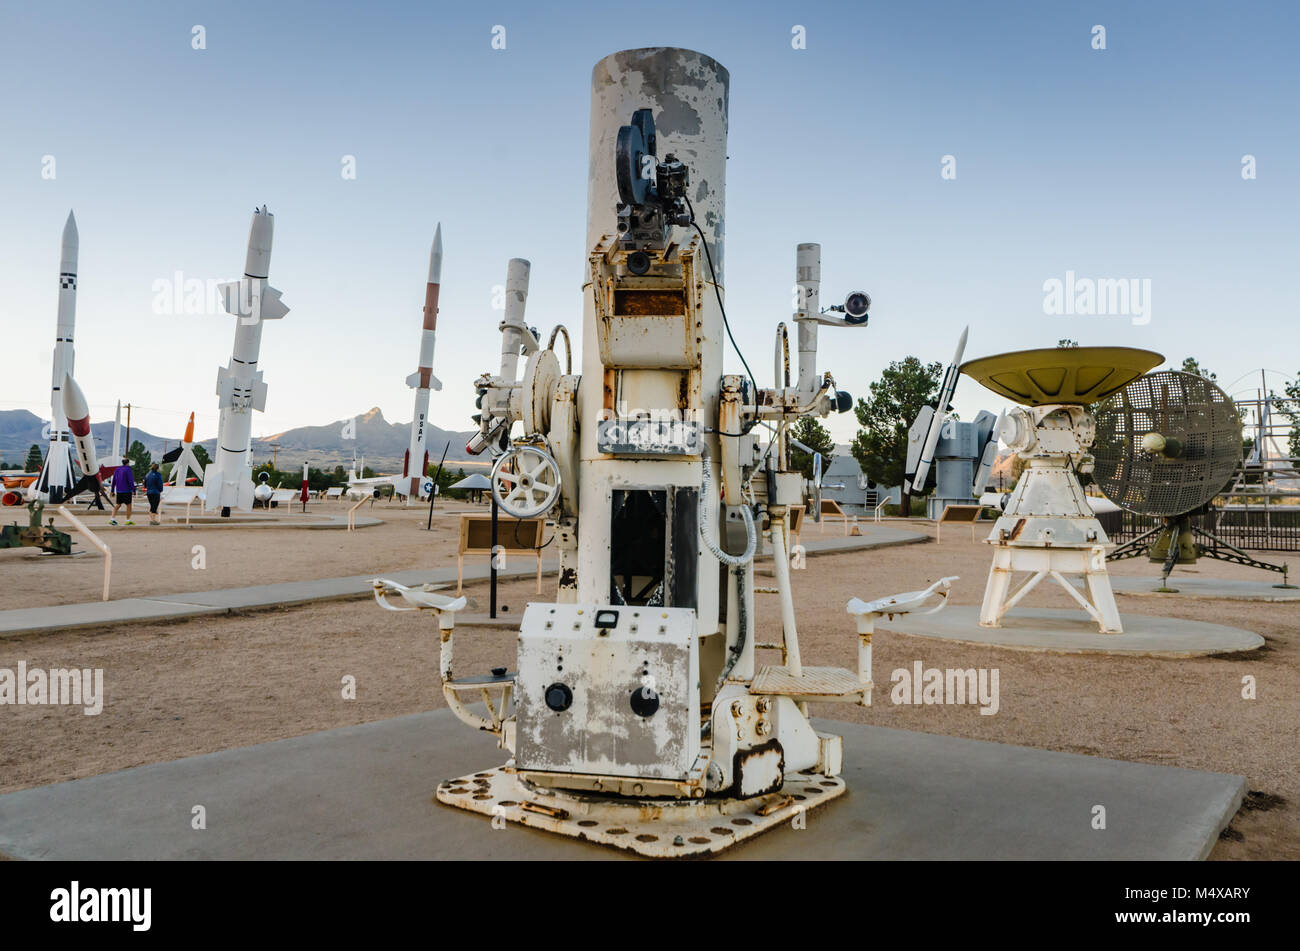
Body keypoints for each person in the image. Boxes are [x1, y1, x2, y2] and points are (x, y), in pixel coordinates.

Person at [109, 458, 135, 525]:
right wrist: (133, 489)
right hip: (127, 490)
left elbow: (114, 480)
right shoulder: (128, 469)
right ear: (128, 463)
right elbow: (130, 480)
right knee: (129, 505)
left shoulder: (117, 469)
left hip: (119, 490)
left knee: (118, 504)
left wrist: (112, 490)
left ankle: (112, 519)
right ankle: (127, 520)